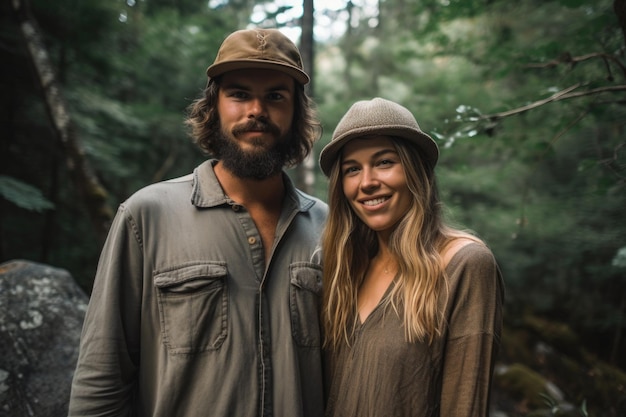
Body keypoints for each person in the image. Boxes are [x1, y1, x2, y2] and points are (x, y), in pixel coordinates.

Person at [68, 28, 328, 417]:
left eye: (275, 96)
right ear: (214, 105)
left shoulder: (331, 227)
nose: (256, 110)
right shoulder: (146, 216)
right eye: (239, 94)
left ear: (296, 112)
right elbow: (101, 376)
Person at [318, 97, 504, 417]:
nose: (367, 182)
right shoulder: (346, 271)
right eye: (352, 169)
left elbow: (466, 403)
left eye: (384, 162)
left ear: (415, 170)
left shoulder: (464, 265)